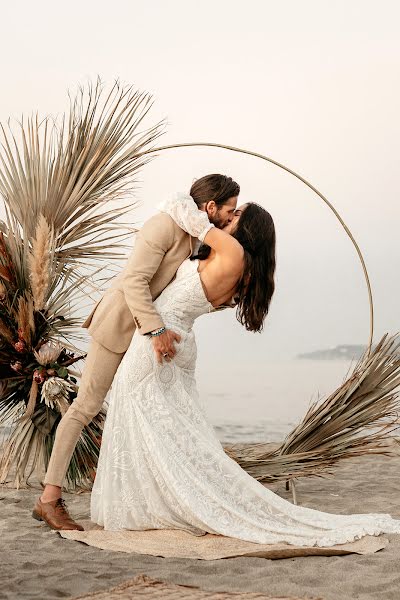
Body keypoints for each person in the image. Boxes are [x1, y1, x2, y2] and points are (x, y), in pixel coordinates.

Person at [90, 193, 400, 547]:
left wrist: (184, 200)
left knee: (149, 417)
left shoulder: (232, 252)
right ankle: (161, 499)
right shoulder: (239, 266)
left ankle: (160, 503)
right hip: (179, 339)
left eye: (236, 214)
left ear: (247, 229)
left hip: (161, 338)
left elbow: (186, 215)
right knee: (174, 427)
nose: (229, 216)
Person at [32, 174, 240, 531]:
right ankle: (49, 500)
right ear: (210, 208)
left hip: (145, 339)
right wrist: (156, 330)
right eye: (229, 210)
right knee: (85, 407)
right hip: (119, 327)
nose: (230, 218)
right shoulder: (162, 227)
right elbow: (134, 281)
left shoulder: (197, 237)